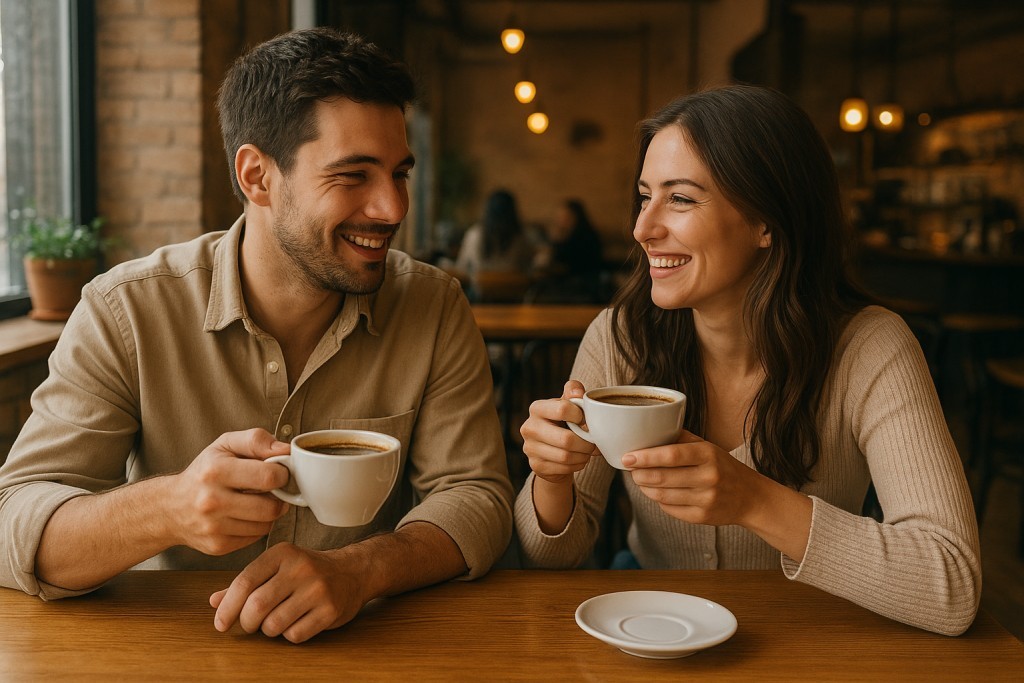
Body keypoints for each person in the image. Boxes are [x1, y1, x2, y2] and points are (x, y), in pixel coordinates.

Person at [0, 28, 513, 643]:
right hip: (171, 649)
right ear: (257, 176)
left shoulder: (434, 304)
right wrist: (169, 507)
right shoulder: (126, 310)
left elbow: (477, 496)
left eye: (399, 173)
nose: (392, 207)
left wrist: (361, 570)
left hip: (373, 648)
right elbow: (13, 524)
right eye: (353, 176)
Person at [514, 85, 981, 636]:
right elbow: (550, 558)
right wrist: (551, 478)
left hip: (811, 634)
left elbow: (951, 584)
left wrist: (754, 499)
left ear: (767, 221)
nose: (642, 228)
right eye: (645, 196)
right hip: (650, 627)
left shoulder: (870, 348)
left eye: (681, 199)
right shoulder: (623, 338)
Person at [454, 189, 535, 300]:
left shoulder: (474, 234)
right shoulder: (521, 237)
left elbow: (462, 268)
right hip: (514, 297)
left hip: (480, 297)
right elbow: (528, 266)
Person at [533, 198, 605, 303]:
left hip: (581, 287)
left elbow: (572, 266)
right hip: (567, 284)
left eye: (566, 217)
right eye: (559, 217)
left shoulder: (585, 237)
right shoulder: (564, 236)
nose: (560, 221)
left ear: (576, 217)